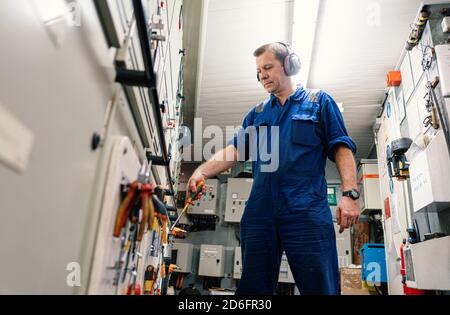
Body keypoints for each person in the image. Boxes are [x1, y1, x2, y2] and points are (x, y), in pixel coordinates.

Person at [187, 42, 360, 295]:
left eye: (268, 67)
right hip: (260, 213)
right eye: (258, 71)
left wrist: (350, 194)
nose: (262, 75)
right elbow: (235, 150)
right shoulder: (257, 114)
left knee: (320, 287)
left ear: (289, 65)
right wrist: (202, 171)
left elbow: (341, 147)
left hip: (306, 211)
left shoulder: (318, 101)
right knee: (252, 290)